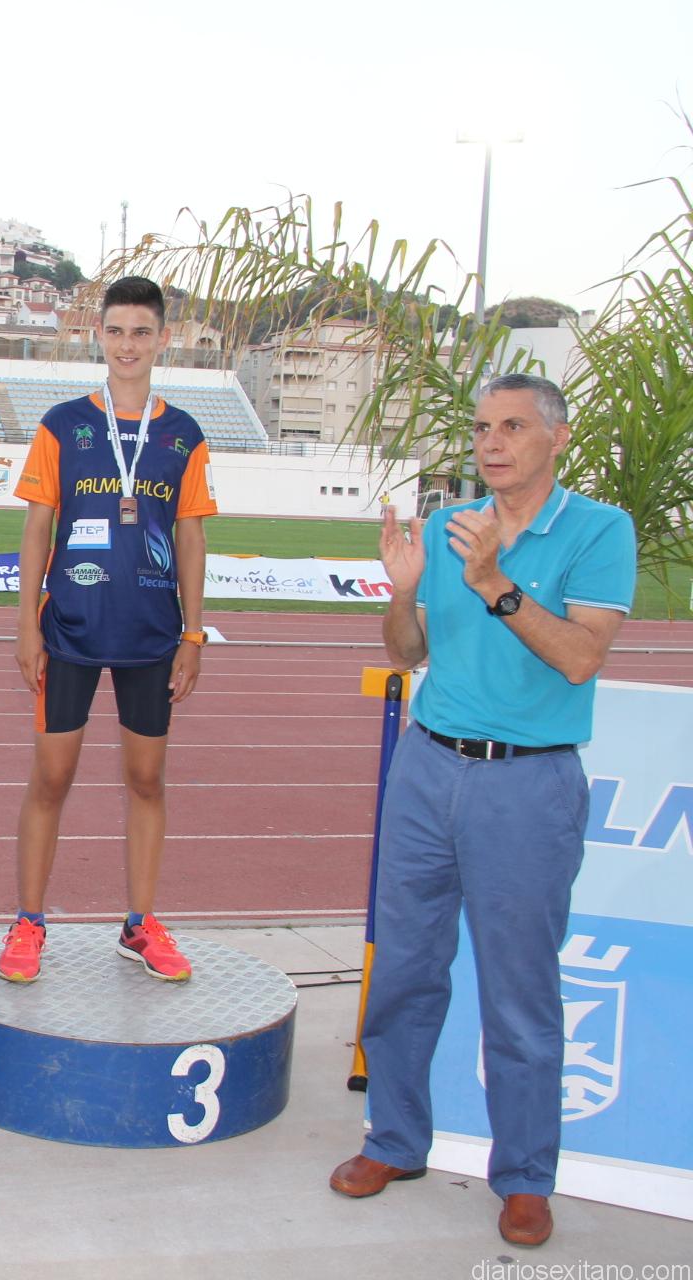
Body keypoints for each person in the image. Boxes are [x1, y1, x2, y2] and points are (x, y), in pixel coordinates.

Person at [330, 373, 635, 1248]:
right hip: (428, 767)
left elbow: (580, 657)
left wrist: (495, 582)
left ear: (558, 438)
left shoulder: (599, 530)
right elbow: (409, 652)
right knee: (404, 970)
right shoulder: (447, 526)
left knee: (519, 990)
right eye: (481, 428)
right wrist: (402, 592)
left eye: (512, 426)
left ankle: (526, 1177)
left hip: (527, 784)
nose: (491, 443)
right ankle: (393, 1140)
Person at [0, 276, 216, 984]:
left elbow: (190, 537)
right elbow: (38, 528)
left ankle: (139, 924)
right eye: (116, 331)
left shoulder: (183, 435)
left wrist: (194, 635)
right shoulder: (63, 424)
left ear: (163, 339)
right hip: (69, 628)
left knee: (146, 779)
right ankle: (29, 922)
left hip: (152, 634)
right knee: (51, 777)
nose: (128, 345)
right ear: (99, 335)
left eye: (141, 332)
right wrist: (25, 625)